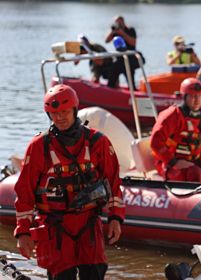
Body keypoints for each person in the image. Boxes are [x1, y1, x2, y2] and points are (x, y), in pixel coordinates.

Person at [14, 84, 125, 279]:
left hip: (88, 223)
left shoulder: (98, 142)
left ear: (75, 109)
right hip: (55, 227)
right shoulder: (39, 146)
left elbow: (113, 182)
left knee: (95, 273)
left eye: (64, 111)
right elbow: (25, 192)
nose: (59, 117)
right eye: (54, 113)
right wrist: (23, 232)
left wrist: (115, 217)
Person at [150, 78, 201, 186]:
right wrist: (173, 162)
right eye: (193, 96)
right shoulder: (171, 116)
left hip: (196, 159)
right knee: (195, 173)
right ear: (184, 97)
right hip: (170, 163)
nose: (197, 100)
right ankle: (196, 201)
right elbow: (155, 143)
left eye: (200, 96)